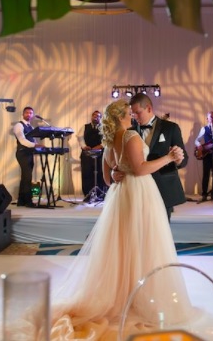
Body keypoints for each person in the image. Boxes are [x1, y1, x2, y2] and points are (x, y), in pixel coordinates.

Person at [48, 99, 191, 339]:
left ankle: (125, 295)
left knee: (124, 246)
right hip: (139, 194)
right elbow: (140, 169)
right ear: (122, 115)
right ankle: (142, 300)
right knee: (146, 246)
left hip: (122, 196)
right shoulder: (130, 136)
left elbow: (106, 180)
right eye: (129, 112)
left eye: (135, 111)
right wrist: (166, 158)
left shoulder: (109, 140)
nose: (133, 115)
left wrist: (115, 173)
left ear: (147, 108)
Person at [128, 93, 188, 220]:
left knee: (161, 232)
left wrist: (178, 159)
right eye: (132, 113)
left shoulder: (171, 128)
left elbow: (184, 159)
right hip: (137, 188)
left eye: (138, 112)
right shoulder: (130, 132)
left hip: (163, 188)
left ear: (149, 108)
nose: (135, 117)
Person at [12, 106, 43, 207]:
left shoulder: (31, 127)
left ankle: (21, 201)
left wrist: (39, 146)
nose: (29, 115)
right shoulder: (18, 125)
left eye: (31, 113)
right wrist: (35, 145)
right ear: (23, 114)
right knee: (27, 177)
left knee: (25, 177)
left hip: (29, 153)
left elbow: (33, 140)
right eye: (27, 113)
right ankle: (28, 201)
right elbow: (22, 140)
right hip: (22, 153)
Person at [77, 110, 106, 202]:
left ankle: (100, 194)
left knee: (100, 173)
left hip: (100, 154)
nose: (95, 117)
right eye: (94, 115)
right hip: (87, 154)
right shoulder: (85, 127)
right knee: (87, 173)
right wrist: (84, 146)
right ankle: (88, 195)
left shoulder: (104, 128)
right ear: (91, 116)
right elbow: (80, 138)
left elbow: (106, 139)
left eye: (98, 116)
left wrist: (100, 146)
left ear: (100, 118)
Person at [194, 111, 213, 203]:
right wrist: (199, 146)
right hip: (207, 155)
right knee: (206, 175)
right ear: (207, 119)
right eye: (211, 117)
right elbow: (196, 140)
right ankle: (204, 194)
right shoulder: (204, 129)